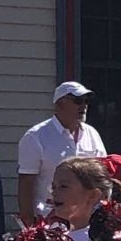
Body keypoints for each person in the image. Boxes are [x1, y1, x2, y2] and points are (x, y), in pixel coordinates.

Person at [17, 82, 107, 222]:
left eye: (85, 101)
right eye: (77, 101)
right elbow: (26, 183)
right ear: (59, 104)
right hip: (49, 218)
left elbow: (102, 176)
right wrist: (28, 222)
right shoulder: (35, 137)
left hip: (87, 219)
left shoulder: (92, 134)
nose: (83, 106)